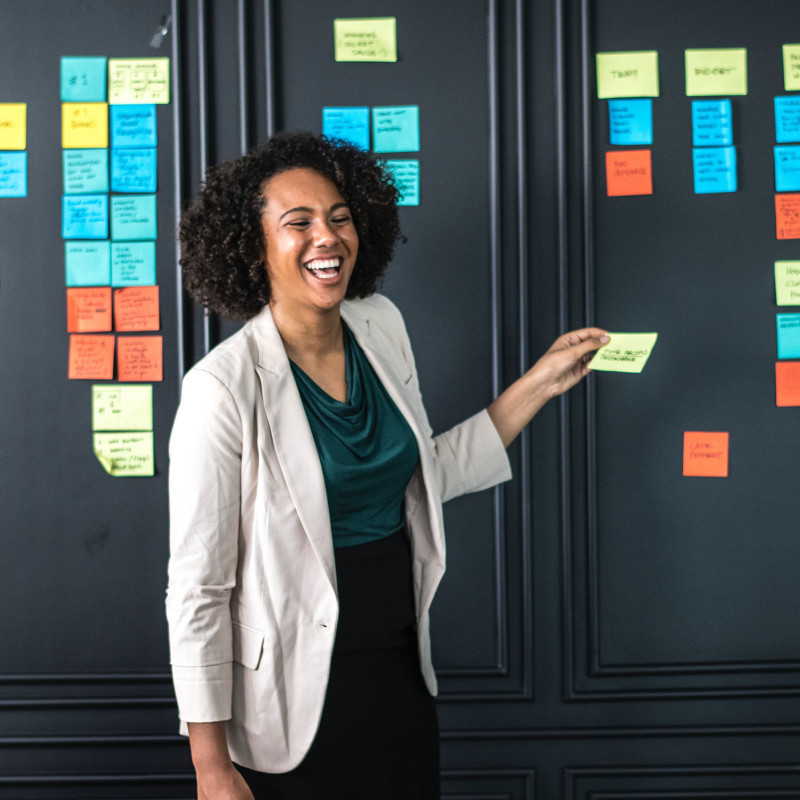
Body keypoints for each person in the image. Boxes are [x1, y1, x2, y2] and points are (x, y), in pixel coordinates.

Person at [166, 130, 608, 800]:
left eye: (339, 217)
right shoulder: (221, 388)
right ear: (252, 246)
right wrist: (210, 765)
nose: (327, 237)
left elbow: (423, 476)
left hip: (398, 670)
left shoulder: (381, 325)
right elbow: (198, 588)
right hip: (285, 700)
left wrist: (541, 383)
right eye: (298, 223)